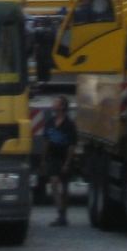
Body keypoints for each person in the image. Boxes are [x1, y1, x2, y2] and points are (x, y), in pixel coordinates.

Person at [44, 95, 78, 225]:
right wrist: (43, 159)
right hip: (53, 157)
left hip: (64, 157)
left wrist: (67, 162)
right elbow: (47, 141)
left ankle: (63, 215)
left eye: (56, 102)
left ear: (62, 106)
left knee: (64, 187)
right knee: (54, 182)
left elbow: (72, 145)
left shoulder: (69, 125)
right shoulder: (50, 122)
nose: (53, 104)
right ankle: (59, 211)